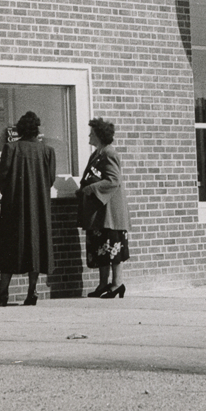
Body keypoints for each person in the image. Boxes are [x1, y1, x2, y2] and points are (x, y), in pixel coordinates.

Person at [0, 110, 57, 307]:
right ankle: (32, 291)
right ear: (36, 130)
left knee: (9, 246)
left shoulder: (11, 149)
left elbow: (2, 175)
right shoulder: (47, 151)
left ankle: (3, 292)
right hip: (38, 207)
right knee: (35, 246)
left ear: (20, 130)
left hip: (14, 207)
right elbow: (50, 179)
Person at [78, 118, 131, 298]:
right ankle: (103, 284)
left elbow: (114, 180)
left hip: (111, 211)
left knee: (113, 247)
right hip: (101, 211)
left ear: (99, 136)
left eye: (92, 133)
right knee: (101, 247)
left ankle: (117, 284)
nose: (89, 136)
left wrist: (91, 188)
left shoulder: (109, 153)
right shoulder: (98, 153)